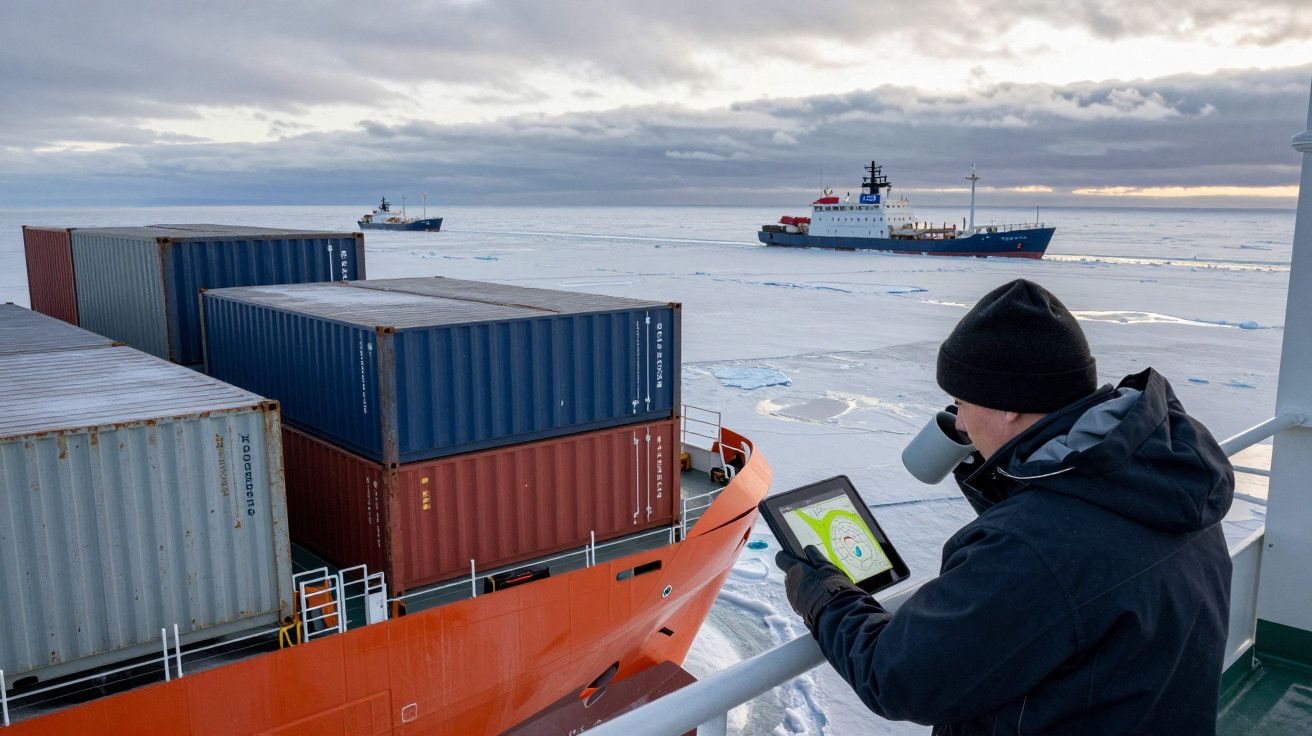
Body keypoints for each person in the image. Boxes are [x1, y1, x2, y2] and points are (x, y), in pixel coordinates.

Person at [776, 279, 1234, 734]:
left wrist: (825, 597)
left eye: (960, 402)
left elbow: (899, 678)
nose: (957, 420)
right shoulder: (1165, 475)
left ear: (1008, 406)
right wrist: (1009, 468)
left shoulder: (1033, 545)